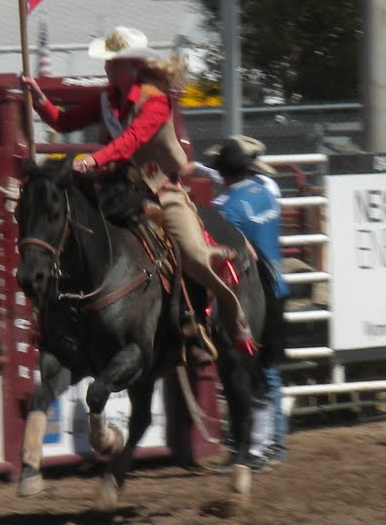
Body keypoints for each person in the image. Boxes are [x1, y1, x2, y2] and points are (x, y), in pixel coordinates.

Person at [24, 26, 254, 355]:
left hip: (161, 190)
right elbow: (64, 122)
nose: (108, 67)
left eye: (115, 62)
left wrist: (94, 160)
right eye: (108, 61)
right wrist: (40, 101)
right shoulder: (107, 99)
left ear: (134, 66)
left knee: (192, 252)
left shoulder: (156, 101)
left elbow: (132, 140)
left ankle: (213, 315)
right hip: (119, 189)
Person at [212, 138, 290, 467]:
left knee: (247, 371)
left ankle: (259, 445)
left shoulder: (226, 207)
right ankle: (272, 444)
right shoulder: (264, 193)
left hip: (251, 293)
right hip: (277, 286)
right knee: (266, 369)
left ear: (223, 174)